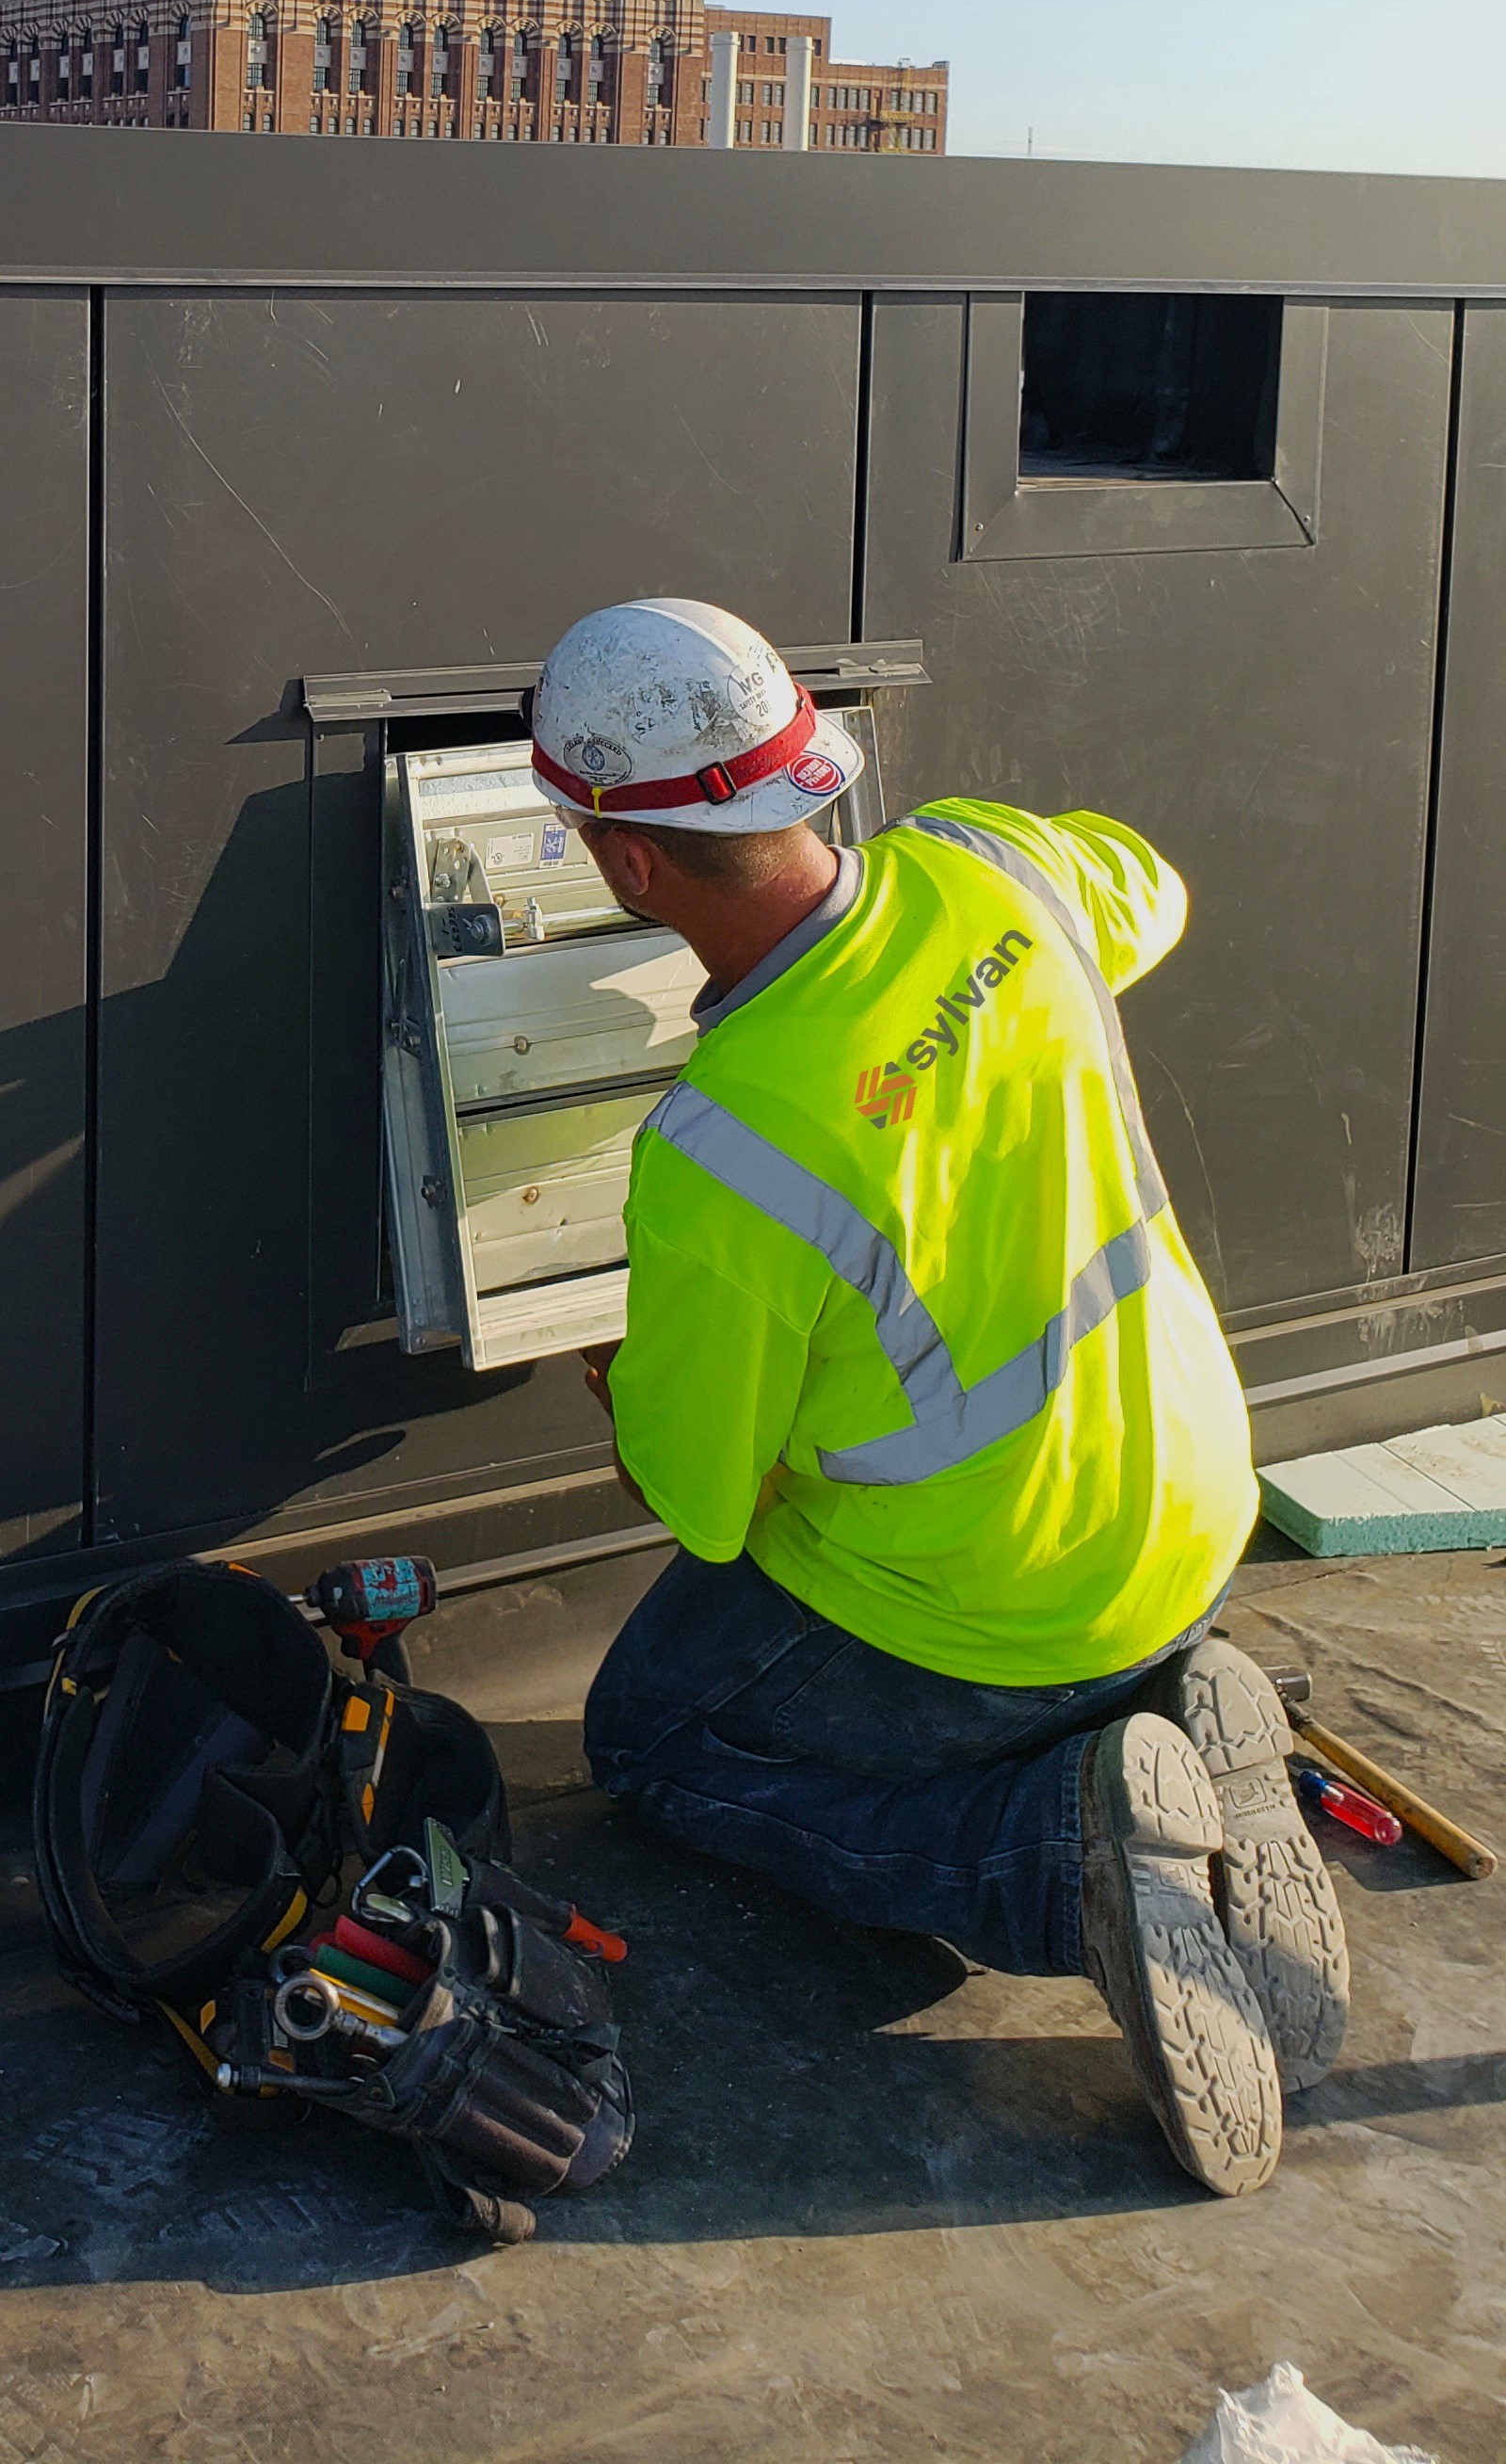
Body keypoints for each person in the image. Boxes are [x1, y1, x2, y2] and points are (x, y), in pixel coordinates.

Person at [534, 597, 1348, 2198]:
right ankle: (1173, 1709)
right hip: (1190, 1513)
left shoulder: (726, 1148)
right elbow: (1151, 890)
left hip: (1001, 1595)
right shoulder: (998, 865)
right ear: (808, 771)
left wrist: (632, 1381)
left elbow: (696, 1505)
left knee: (651, 1737)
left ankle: (1060, 1863)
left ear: (628, 864)